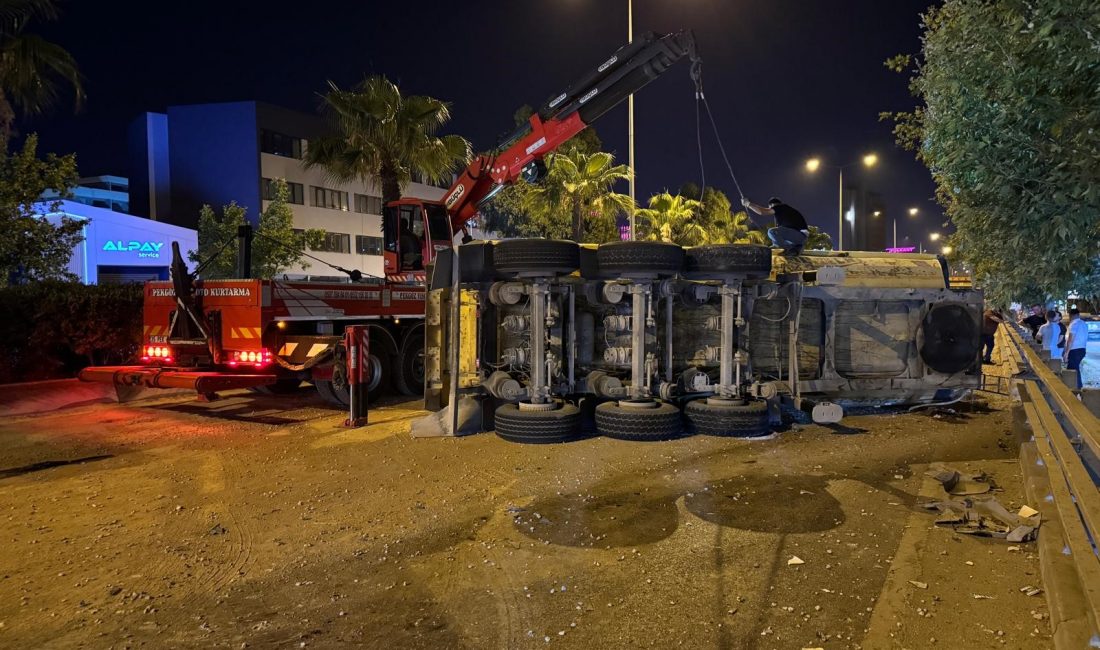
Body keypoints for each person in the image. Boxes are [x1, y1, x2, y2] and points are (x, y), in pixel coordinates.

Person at [741, 197, 808, 255]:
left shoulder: (779, 207)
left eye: (770, 207)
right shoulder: (785, 211)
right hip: (798, 236)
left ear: (771, 205)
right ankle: (796, 247)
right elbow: (764, 209)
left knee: (772, 232)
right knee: (777, 237)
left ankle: (790, 249)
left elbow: (762, 211)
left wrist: (748, 204)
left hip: (799, 235)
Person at [1062, 308, 1089, 390]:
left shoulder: (1073, 324)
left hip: (1074, 350)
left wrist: (1066, 353)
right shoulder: (1084, 323)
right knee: (1074, 368)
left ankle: (1077, 388)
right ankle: (1077, 387)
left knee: (1072, 370)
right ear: (1078, 314)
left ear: (1071, 316)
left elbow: (1071, 339)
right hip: (1082, 349)